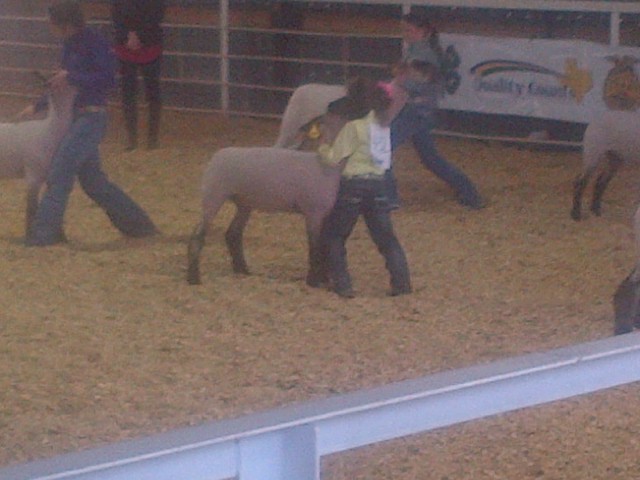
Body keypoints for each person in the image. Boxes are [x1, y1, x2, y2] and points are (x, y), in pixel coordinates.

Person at [23, 0, 158, 247]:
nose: (51, 27)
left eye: (53, 23)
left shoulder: (95, 42)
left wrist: (71, 76)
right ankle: (140, 226)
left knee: (60, 173)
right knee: (94, 182)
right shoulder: (69, 44)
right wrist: (40, 103)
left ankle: (43, 236)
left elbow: (107, 79)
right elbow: (64, 83)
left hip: (91, 117)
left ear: (65, 24)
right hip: (74, 118)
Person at [318, 80, 412, 298]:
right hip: (379, 185)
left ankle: (342, 284)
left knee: (335, 235)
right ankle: (402, 283)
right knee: (386, 238)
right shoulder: (383, 128)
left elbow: (333, 159)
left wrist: (323, 146)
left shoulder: (354, 128)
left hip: (353, 184)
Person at [386, 11, 485, 210]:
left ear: (423, 31)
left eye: (408, 30)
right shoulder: (420, 51)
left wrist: (389, 111)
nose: (405, 34)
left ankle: (389, 198)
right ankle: (469, 193)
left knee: (382, 150)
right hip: (421, 112)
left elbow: (409, 86)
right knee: (430, 158)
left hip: (413, 111)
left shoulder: (421, 55)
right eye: (403, 30)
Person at [112, 0, 166, 151]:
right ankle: (135, 139)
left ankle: (150, 139)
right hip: (131, 43)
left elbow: (157, 14)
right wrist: (130, 35)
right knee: (130, 93)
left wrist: (133, 35)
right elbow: (116, 14)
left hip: (147, 42)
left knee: (150, 92)